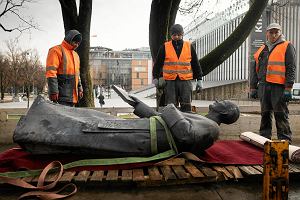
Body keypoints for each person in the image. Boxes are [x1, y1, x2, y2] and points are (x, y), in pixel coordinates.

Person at [13, 87, 239, 157]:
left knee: (86, 130)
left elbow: (184, 135)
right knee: (92, 118)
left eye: (223, 101)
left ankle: (31, 131)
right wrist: (142, 108)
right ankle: (39, 117)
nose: (218, 99)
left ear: (226, 112)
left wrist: (170, 107)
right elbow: (171, 125)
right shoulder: (205, 121)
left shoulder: (211, 130)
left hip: (143, 138)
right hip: (144, 130)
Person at [250, 23, 296, 143]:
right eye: (271, 32)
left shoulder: (287, 46)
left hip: (279, 87)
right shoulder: (262, 49)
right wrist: (253, 87)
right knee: (265, 114)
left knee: (280, 114)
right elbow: (254, 69)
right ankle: (264, 141)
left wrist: (288, 88)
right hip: (264, 86)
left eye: (276, 32)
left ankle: (285, 142)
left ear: (280, 33)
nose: (274, 34)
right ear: (267, 33)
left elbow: (291, 68)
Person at [152, 24, 203, 112]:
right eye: (174, 35)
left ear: (182, 34)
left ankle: (187, 124)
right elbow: (157, 64)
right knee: (171, 106)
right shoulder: (165, 47)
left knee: (186, 105)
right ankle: (172, 124)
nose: (176, 37)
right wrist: (155, 78)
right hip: (170, 82)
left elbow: (195, 64)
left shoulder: (189, 46)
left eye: (178, 35)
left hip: (185, 81)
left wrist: (199, 79)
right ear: (170, 35)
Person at [46, 29, 83, 107]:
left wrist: (80, 88)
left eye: (78, 43)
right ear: (69, 39)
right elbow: (51, 72)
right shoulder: (55, 50)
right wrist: (53, 91)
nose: (76, 45)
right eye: (75, 42)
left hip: (73, 97)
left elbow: (77, 74)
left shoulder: (76, 55)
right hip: (60, 96)